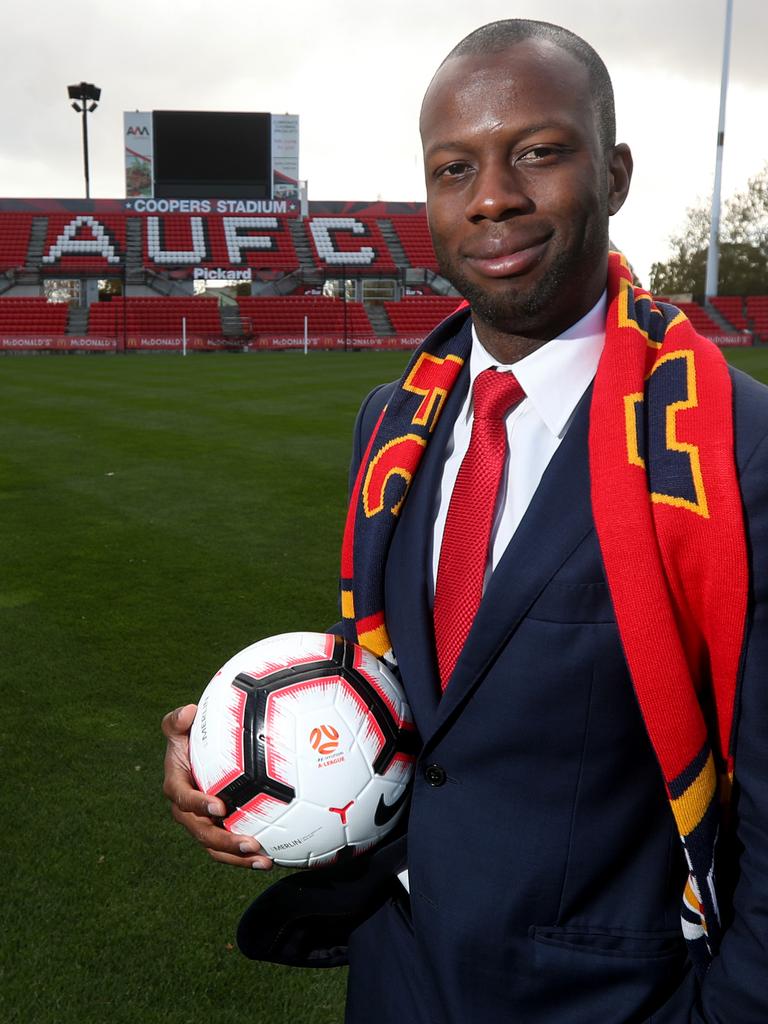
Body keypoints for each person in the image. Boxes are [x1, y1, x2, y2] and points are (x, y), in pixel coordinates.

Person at [163, 19, 768, 1023]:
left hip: (615, 1000)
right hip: (396, 978)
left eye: (538, 151)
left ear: (614, 173)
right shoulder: (391, 421)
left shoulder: (735, 451)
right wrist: (225, 750)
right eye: (455, 167)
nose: (493, 195)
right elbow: (399, 696)